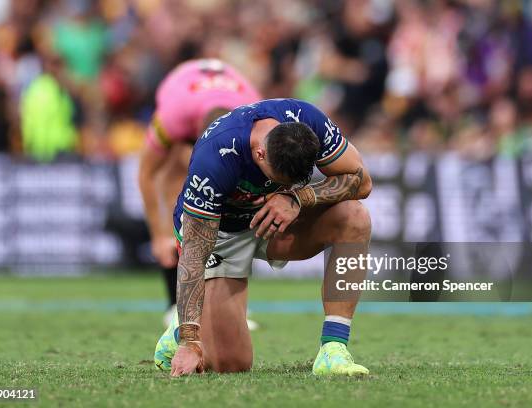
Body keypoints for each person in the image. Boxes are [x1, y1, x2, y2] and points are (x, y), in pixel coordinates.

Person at [154, 98, 373, 376]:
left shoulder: (308, 120)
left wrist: (298, 196)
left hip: (279, 219)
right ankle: (179, 329)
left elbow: (362, 181)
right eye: (281, 179)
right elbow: (194, 253)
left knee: (355, 218)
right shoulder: (215, 157)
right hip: (222, 234)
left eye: (295, 180)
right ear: (259, 154)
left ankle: (334, 350)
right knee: (231, 364)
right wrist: (190, 340)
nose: (285, 184)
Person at [137, 59, 261, 327]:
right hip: (181, 87)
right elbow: (147, 173)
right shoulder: (173, 117)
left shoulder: (253, 117)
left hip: (225, 98)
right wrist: (159, 235)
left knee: (232, 196)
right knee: (179, 186)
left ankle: (231, 303)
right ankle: (175, 303)